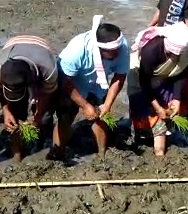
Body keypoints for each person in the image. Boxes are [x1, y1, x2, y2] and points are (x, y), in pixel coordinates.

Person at [48, 15, 129, 160]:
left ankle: (102, 154)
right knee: (66, 116)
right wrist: (84, 105)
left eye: (118, 49)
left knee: (101, 117)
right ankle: (57, 153)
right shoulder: (76, 51)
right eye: (113, 51)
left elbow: (119, 77)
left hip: (98, 84)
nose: (117, 53)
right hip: (73, 83)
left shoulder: (121, 47)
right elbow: (65, 80)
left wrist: (107, 104)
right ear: (100, 48)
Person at [127, 22, 188, 156]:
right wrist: (157, 107)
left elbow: (181, 73)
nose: (175, 57)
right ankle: (141, 137)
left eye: (178, 54)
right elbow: (144, 83)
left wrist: (176, 98)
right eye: (172, 54)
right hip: (140, 76)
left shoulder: (186, 51)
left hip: (165, 76)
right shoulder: (151, 49)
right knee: (141, 109)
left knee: (164, 112)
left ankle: (159, 148)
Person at [0, 35, 57, 161]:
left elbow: (47, 94)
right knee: (15, 110)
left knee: (45, 116)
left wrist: (38, 115)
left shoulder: (48, 69)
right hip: (13, 45)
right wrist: (6, 110)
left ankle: (43, 138)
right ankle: (18, 152)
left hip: (40, 48)